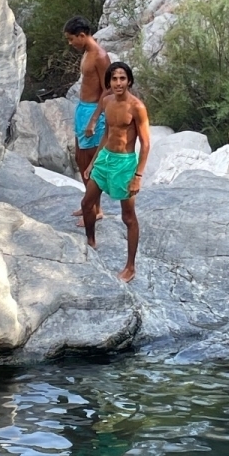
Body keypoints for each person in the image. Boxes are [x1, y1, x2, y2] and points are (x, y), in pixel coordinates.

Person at [81, 61, 150, 283]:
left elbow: (145, 144)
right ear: (109, 82)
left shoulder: (137, 107)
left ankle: (130, 267)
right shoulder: (107, 101)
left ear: (129, 81)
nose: (118, 83)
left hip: (124, 163)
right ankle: (91, 242)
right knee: (86, 204)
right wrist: (93, 162)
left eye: (122, 78)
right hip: (105, 159)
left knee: (128, 217)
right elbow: (107, 134)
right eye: (114, 79)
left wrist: (137, 176)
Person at [64, 16, 111, 226]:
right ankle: (90, 205)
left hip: (94, 112)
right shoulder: (87, 52)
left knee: (91, 163)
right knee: (80, 158)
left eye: (71, 39)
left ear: (82, 35)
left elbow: (108, 90)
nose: (70, 43)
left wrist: (94, 120)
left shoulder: (100, 56)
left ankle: (94, 210)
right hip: (82, 109)